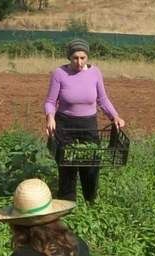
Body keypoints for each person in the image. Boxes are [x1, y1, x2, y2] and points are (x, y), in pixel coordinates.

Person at [44, 38, 126, 204]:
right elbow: (50, 102)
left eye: (83, 58)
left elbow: (102, 99)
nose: (79, 62)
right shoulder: (60, 74)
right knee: (67, 165)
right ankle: (67, 203)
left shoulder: (95, 73)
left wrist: (115, 116)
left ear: (87, 57)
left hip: (88, 124)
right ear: (69, 57)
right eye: (75, 58)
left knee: (91, 164)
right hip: (65, 125)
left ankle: (91, 200)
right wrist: (50, 117)